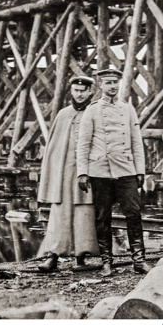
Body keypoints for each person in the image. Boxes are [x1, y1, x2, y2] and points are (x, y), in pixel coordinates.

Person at [76, 67, 151, 276]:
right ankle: (107, 261)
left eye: (115, 83)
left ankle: (139, 260)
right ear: (101, 85)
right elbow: (83, 144)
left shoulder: (128, 109)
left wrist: (140, 170)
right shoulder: (91, 110)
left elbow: (137, 142)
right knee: (102, 217)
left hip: (126, 169)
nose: (112, 87)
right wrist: (82, 172)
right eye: (108, 83)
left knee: (134, 213)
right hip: (100, 171)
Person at [36, 77, 99, 272]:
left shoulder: (95, 113)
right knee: (59, 213)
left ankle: (81, 259)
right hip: (64, 174)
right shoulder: (63, 115)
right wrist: (52, 176)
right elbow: (53, 149)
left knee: (85, 213)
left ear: (90, 92)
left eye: (83, 90)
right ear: (71, 91)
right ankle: (53, 257)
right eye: (76, 90)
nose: (79, 94)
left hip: (88, 173)